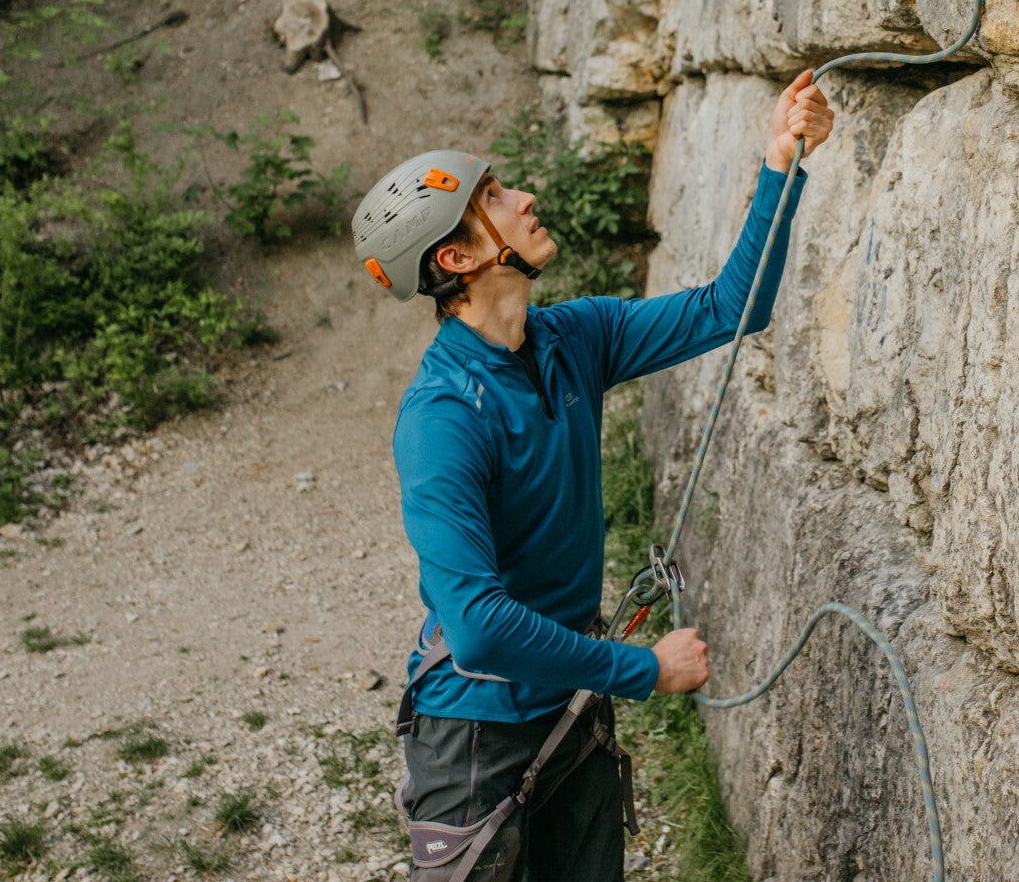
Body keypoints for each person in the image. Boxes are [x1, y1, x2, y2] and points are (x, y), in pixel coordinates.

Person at [351, 71, 835, 881]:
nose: (526, 197)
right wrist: (643, 669)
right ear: (459, 256)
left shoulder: (574, 337)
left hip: (571, 710)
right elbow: (474, 625)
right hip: (477, 734)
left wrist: (781, 161)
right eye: (496, 196)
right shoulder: (442, 420)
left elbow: (732, 308)